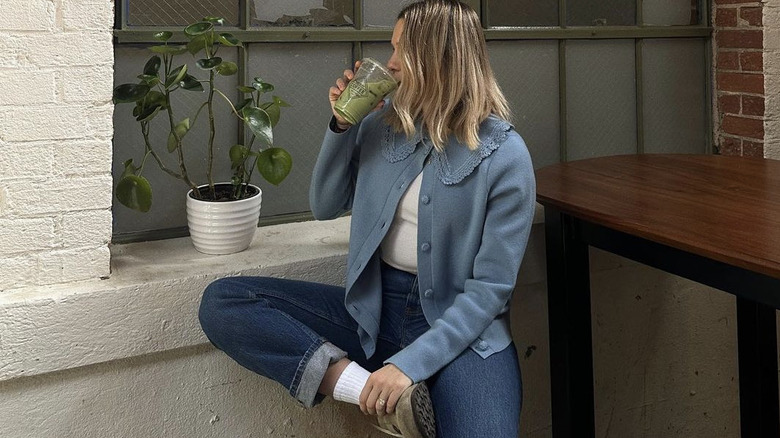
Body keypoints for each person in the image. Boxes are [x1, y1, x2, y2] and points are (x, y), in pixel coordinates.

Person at [198, 1, 536, 437]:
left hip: (463, 327)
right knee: (225, 302)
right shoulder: (381, 127)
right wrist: (342, 124)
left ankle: (400, 384)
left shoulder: (505, 155)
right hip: (373, 313)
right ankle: (366, 392)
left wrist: (408, 365)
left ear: (439, 59)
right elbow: (325, 204)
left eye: (402, 52)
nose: (390, 63)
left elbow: (490, 291)